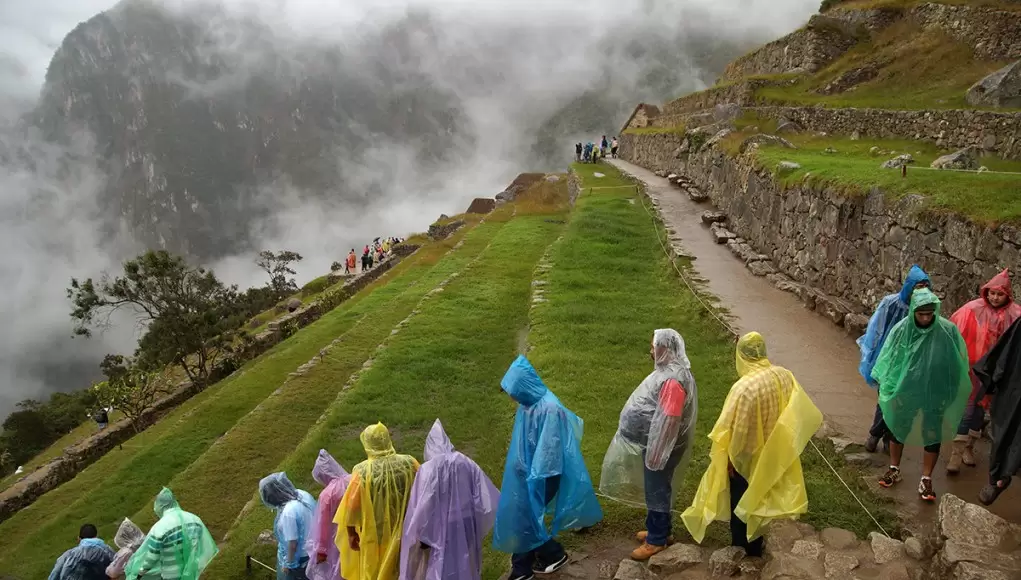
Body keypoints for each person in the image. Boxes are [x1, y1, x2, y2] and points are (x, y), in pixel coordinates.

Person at [682, 332, 822, 557]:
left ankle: (744, 549)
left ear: (741, 356)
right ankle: (759, 539)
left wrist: (731, 460)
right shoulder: (784, 375)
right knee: (764, 495)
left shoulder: (744, 388)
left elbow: (738, 432)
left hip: (750, 456)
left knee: (743, 501)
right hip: (777, 451)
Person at [493, 356, 603, 580]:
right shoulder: (529, 404)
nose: (512, 397)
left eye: (513, 391)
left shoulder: (550, 409)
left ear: (522, 386)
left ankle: (535, 563)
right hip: (531, 472)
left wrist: (533, 478)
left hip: (543, 475)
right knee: (527, 514)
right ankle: (536, 560)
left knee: (527, 515)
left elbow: (549, 455)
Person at [600, 329, 698, 561]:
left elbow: (669, 420)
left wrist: (657, 453)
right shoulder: (669, 372)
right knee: (658, 487)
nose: (651, 351)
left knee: (657, 489)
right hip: (657, 444)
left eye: (654, 346)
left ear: (665, 349)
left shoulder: (673, 380)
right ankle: (661, 530)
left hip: (662, 447)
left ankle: (656, 540)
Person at [870, 289, 971, 501]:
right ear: (914, 310)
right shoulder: (901, 330)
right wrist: (889, 388)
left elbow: (957, 362)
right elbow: (889, 359)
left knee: (932, 433)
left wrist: (951, 390)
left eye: (929, 313)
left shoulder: (947, 330)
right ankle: (894, 468)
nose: (926, 318)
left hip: (935, 391)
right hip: (906, 389)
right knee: (897, 428)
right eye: (921, 313)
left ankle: (926, 479)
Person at [400, 419, 500, 580]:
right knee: (465, 557)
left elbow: (423, 504)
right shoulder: (465, 461)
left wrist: (419, 532)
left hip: (438, 525)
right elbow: (483, 494)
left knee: (441, 562)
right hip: (467, 519)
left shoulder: (428, 470)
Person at [947, 269, 1021, 474]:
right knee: (967, 409)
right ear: (986, 292)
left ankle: (968, 447)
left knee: (981, 411)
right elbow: (955, 329)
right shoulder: (972, 309)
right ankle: (956, 452)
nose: (995, 297)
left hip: (996, 373)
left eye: (1000, 294)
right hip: (972, 370)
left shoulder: (1015, 315)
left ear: (1008, 295)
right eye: (992, 293)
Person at [858, 265, 931, 452]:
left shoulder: (927, 308)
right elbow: (876, 329)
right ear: (909, 286)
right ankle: (876, 434)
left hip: (911, 363)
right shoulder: (890, 303)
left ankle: (889, 437)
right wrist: (872, 355)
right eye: (917, 286)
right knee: (886, 398)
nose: (921, 291)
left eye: (924, 286)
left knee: (902, 403)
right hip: (888, 360)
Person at [335, 423, 419, 580]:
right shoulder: (409, 462)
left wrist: (352, 534)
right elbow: (424, 488)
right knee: (407, 564)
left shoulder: (362, 471)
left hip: (377, 530)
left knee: (380, 568)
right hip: (410, 524)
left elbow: (352, 506)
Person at [973, 317, 1021, 505]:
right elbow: (1006, 352)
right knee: (1007, 436)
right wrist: (992, 377)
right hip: (1016, 391)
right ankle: (998, 479)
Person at [124, 488, 218, 580]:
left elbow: (152, 557)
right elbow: (205, 544)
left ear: (160, 506)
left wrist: (140, 572)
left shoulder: (160, 528)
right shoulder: (195, 519)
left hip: (172, 575)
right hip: (196, 571)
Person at [260, 472, 316, 580]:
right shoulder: (301, 494)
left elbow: (292, 544)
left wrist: (288, 564)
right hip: (313, 548)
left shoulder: (288, 513)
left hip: (301, 558)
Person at [306, 450, 351, 580]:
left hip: (336, 538)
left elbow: (322, 525)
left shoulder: (328, 494)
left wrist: (321, 551)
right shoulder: (353, 479)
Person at [48, 523, 115, 580]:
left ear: (79, 539)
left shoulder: (68, 554)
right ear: (96, 536)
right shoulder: (108, 551)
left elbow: (55, 574)